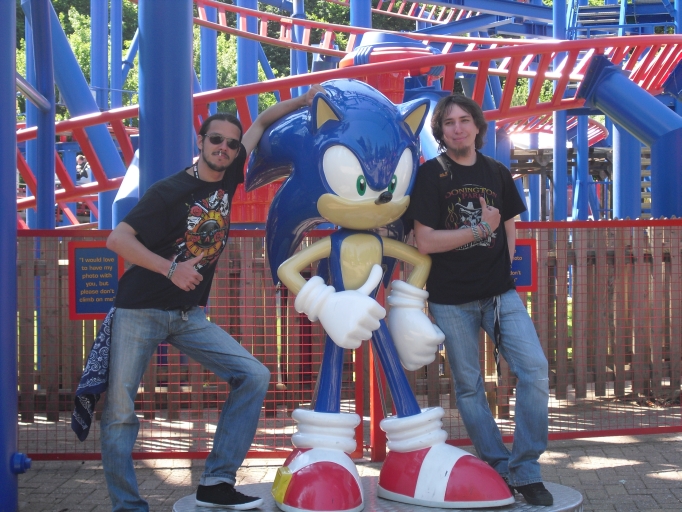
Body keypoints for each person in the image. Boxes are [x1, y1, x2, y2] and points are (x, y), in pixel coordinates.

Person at [103, 86, 324, 512]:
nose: (224, 148)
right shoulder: (168, 192)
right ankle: (127, 506)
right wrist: (171, 268)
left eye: (231, 143)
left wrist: (301, 101)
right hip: (140, 310)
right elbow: (118, 239)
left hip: (186, 314)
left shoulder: (230, 172)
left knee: (254, 376)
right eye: (216, 140)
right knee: (119, 411)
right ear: (201, 142)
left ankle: (217, 481)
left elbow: (262, 121)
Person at [405, 94, 553, 506]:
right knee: (468, 386)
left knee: (535, 370)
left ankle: (526, 469)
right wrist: (479, 231)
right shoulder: (430, 174)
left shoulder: (496, 172)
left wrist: (500, 264)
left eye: (464, 120)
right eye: (449, 122)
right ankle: (498, 466)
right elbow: (425, 240)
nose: (457, 128)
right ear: (441, 131)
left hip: (499, 295)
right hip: (450, 299)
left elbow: (508, 225)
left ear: (477, 126)